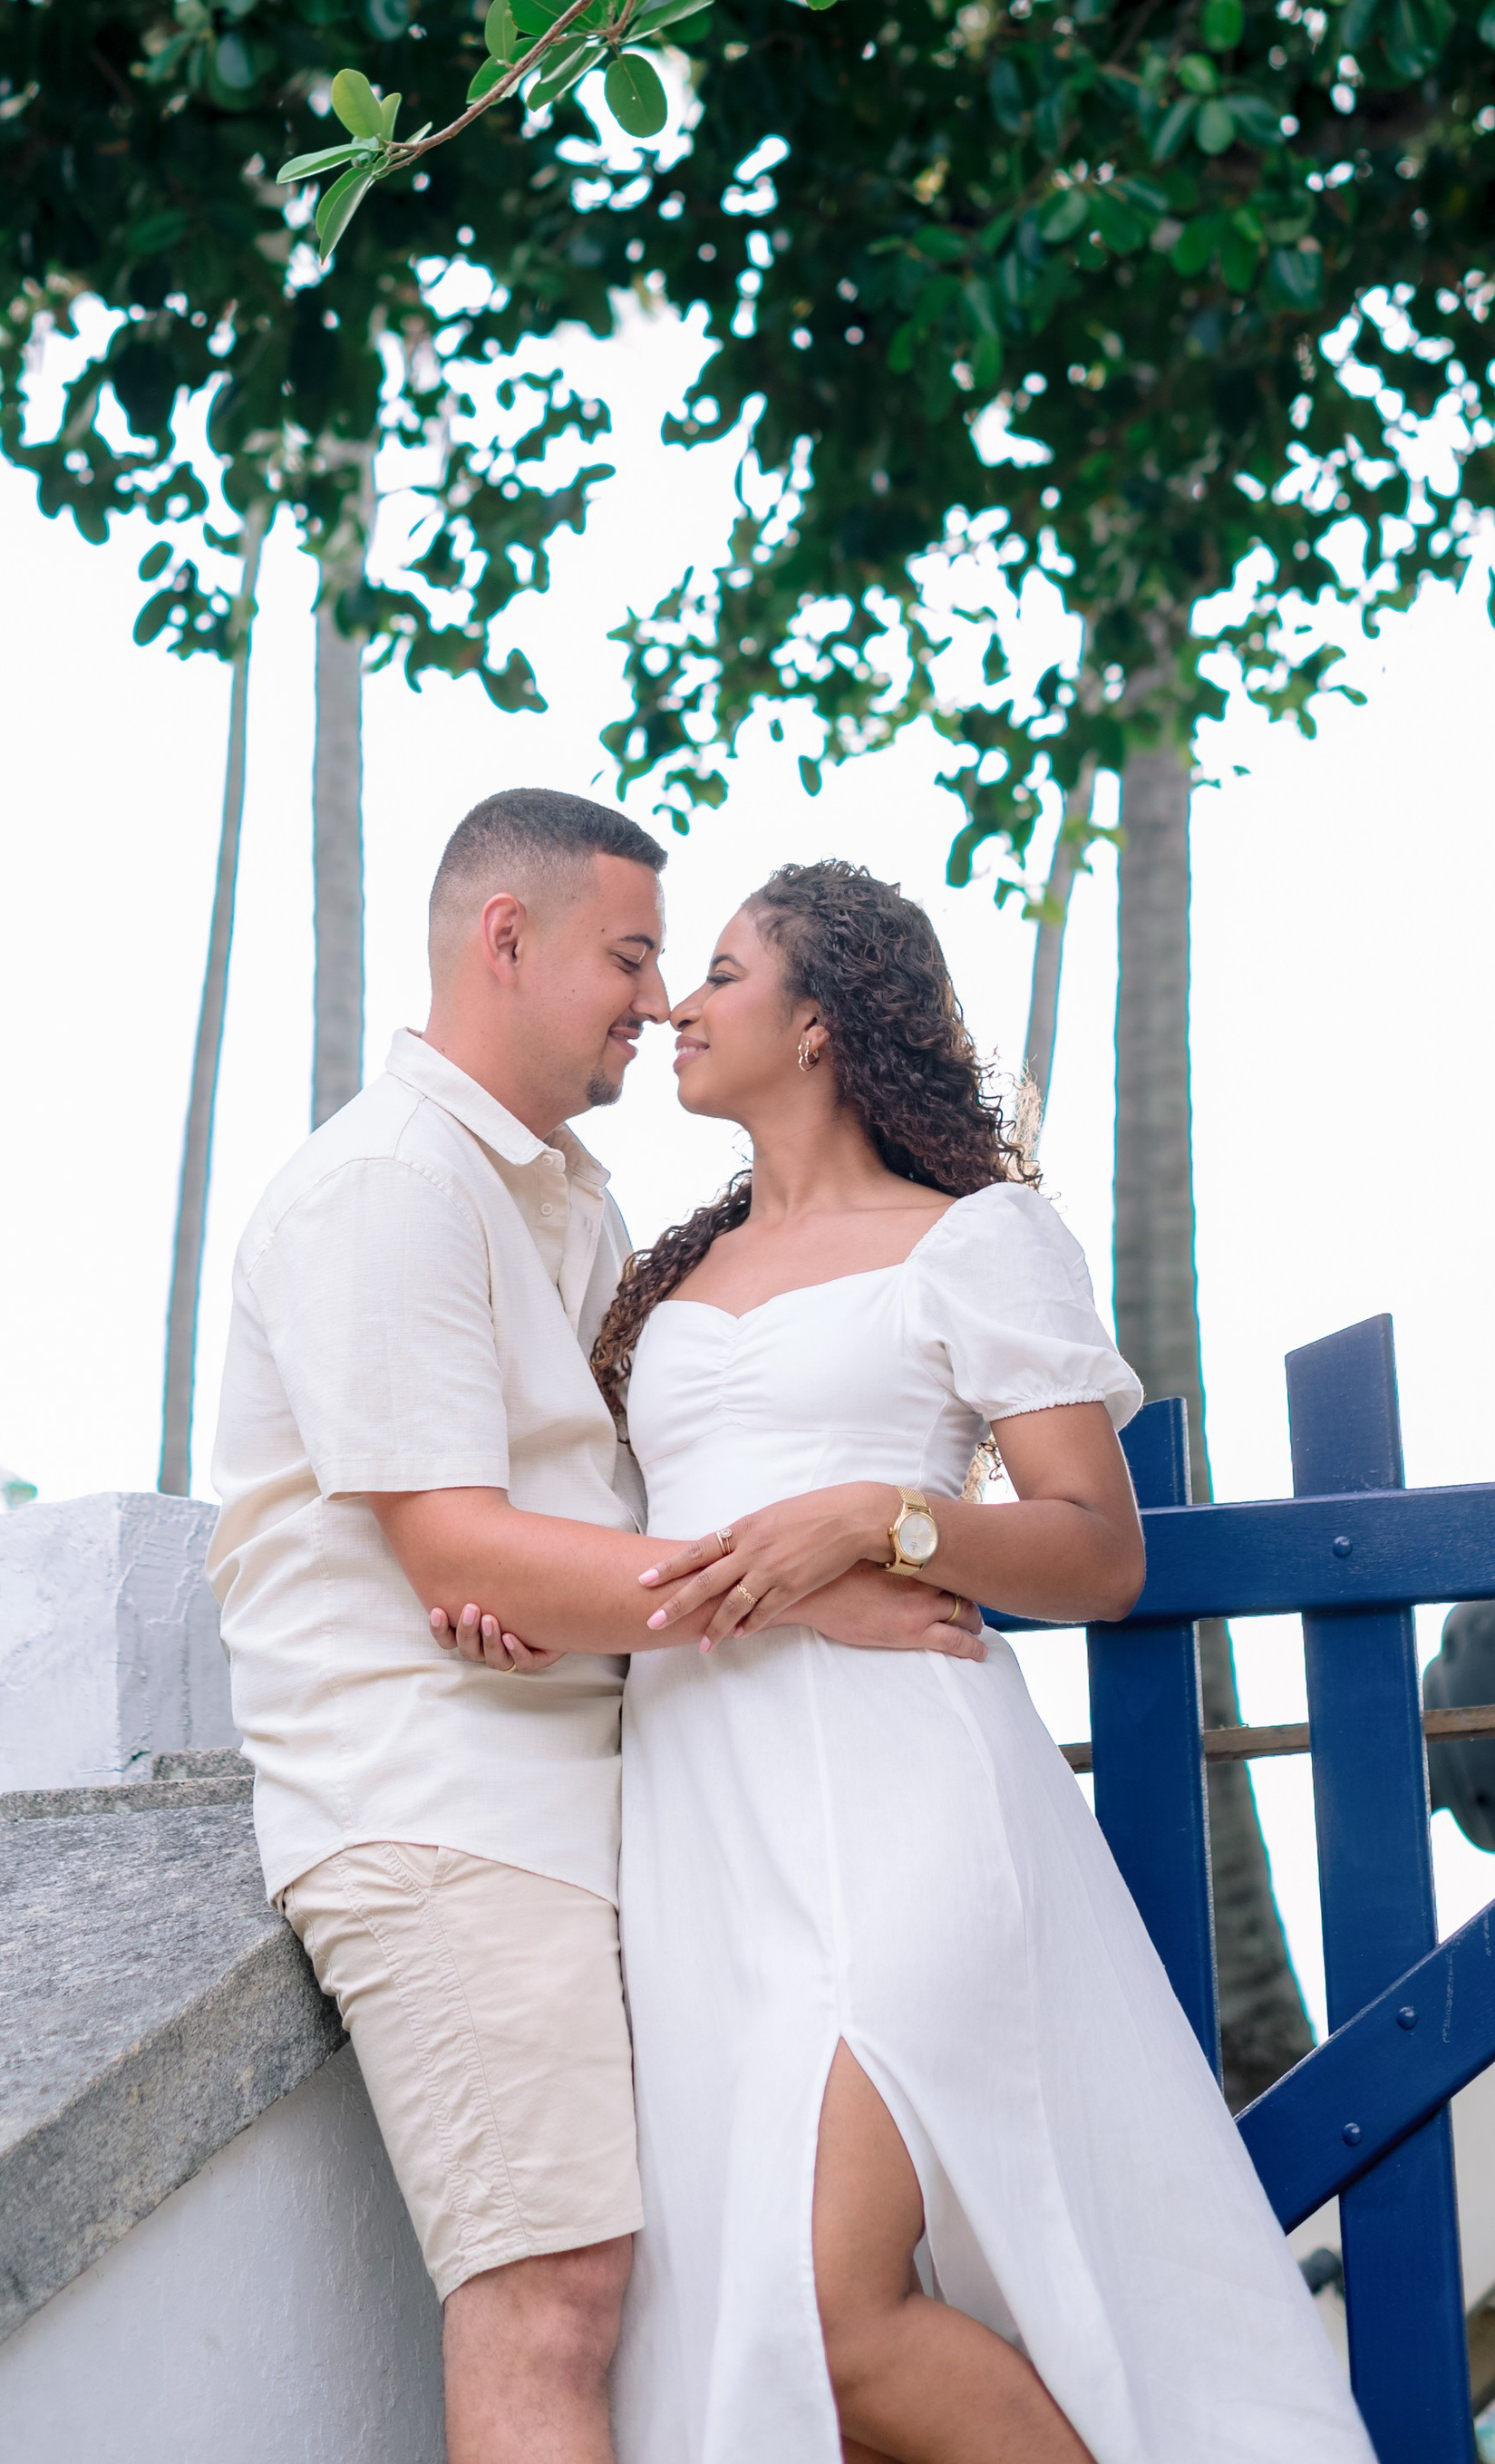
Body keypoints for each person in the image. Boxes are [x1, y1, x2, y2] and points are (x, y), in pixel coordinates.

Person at [205, 792, 983, 2464]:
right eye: (632, 954)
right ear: (507, 938)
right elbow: (456, 1546)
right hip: (446, 1808)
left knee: (698, 2298)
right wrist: (802, 1585)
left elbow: (561, 1546)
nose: (653, 997)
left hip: (603, 1799)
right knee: (549, 2297)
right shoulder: (387, 1186)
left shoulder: (575, 1205)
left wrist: (580, 1606)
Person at [589, 859, 1380, 2464]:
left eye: (724, 973)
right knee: (764, 2330)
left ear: (818, 1024)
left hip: (907, 1796)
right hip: (699, 1821)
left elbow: (1101, 1547)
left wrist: (888, 1522)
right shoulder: (660, 1282)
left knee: (828, 2304)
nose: (680, 1001)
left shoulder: (976, 1241)